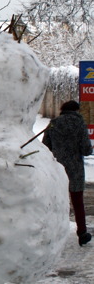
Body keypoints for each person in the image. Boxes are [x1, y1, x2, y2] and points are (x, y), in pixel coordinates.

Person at [43, 100, 93, 246]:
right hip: (75, 168)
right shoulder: (79, 123)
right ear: (76, 110)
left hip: (57, 168)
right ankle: (82, 233)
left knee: (57, 200)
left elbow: (45, 146)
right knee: (77, 202)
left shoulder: (54, 123)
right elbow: (86, 149)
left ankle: (54, 232)